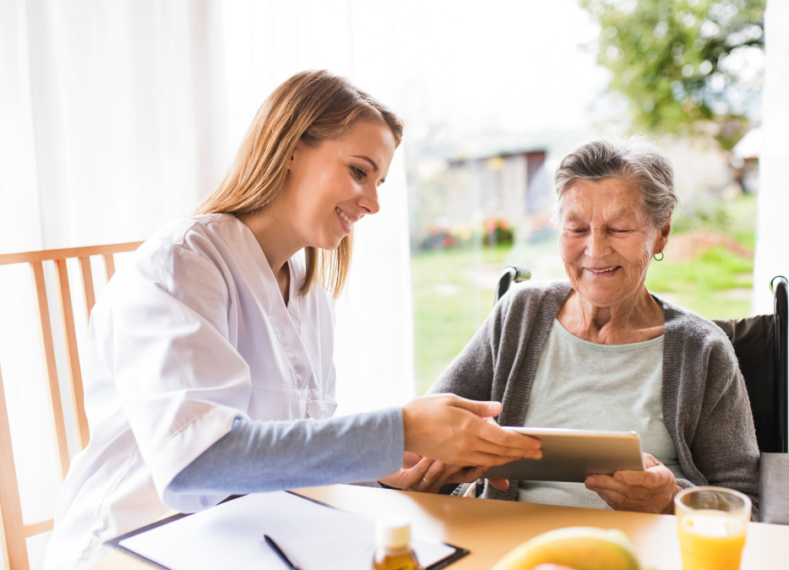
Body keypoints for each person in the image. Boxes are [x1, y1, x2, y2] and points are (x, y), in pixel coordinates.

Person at [44, 71, 541, 570]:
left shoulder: (308, 295)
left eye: (379, 182)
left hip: (244, 543)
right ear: (290, 148)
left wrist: (388, 468)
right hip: (133, 549)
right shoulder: (181, 266)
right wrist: (400, 430)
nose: (372, 203)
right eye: (359, 172)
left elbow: (291, 455)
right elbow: (196, 464)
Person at [429, 139, 759, 515]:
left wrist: (671, 502)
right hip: (513, 547)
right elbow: (431, 428)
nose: (595, 250)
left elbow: (749, 502)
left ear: (661, 232)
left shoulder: (703, 350)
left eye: (618, 229)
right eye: (577, 228)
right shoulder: (520, 313)